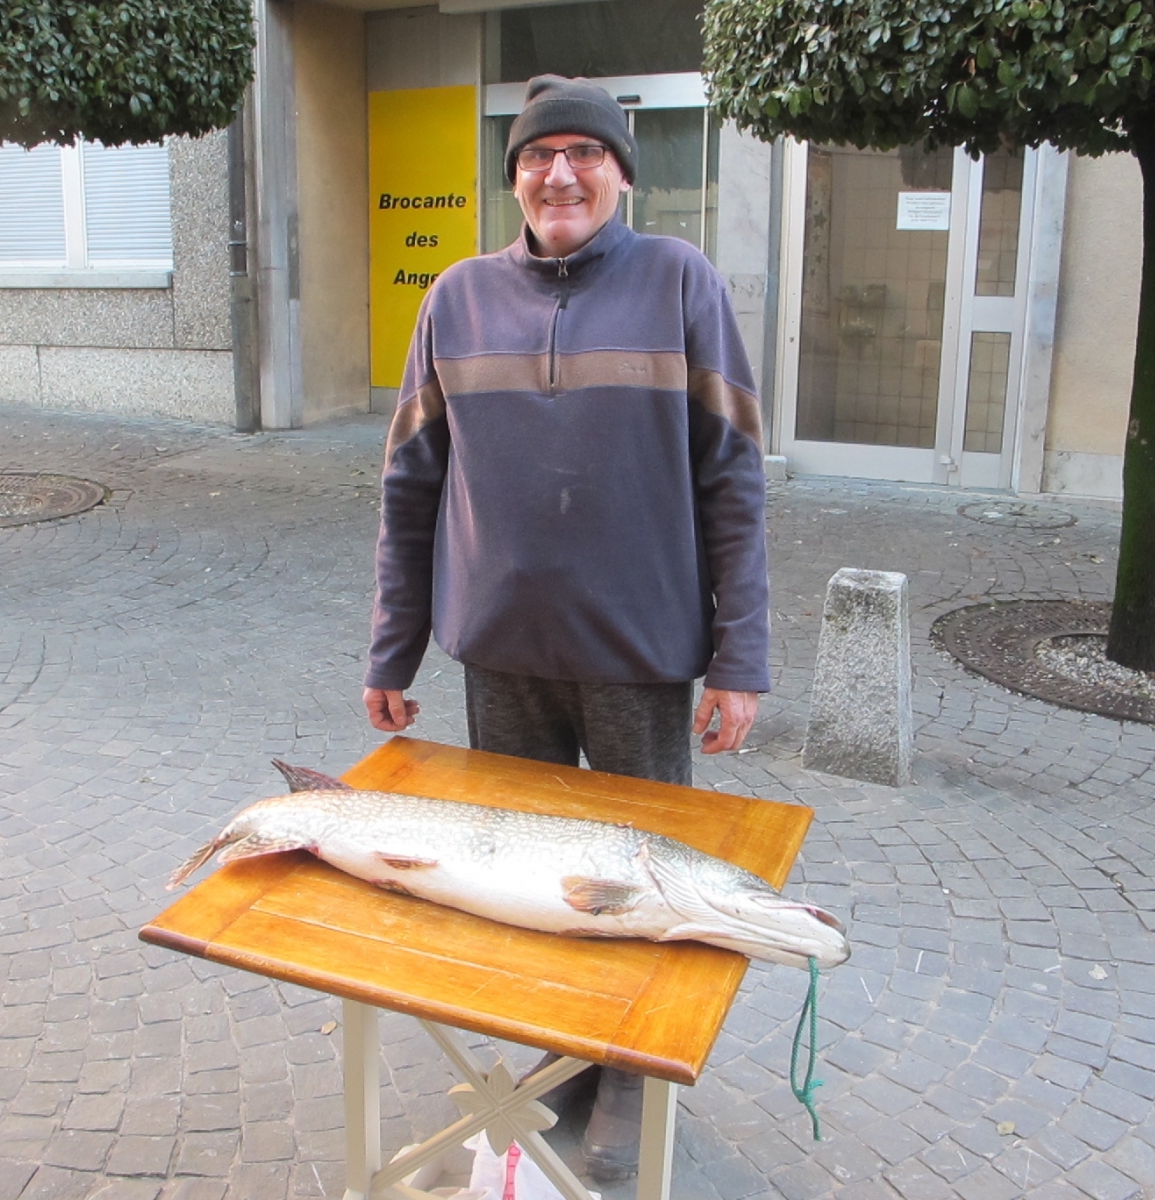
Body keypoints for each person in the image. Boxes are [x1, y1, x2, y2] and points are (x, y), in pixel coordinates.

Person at [363, 74, 770, 1182]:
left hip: (641, 658)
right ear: (515, 178)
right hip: (500, 656)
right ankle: (554, 1075)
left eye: (587, 153)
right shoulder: (454, 298)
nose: (560, 173)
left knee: (642, 901)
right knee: (525, 898)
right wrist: (391, 651)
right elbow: (410, 485)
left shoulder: (681, 284)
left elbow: (733, 479)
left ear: (622, 175)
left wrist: (739, 658)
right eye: (539, 157)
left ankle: (629, 1086)